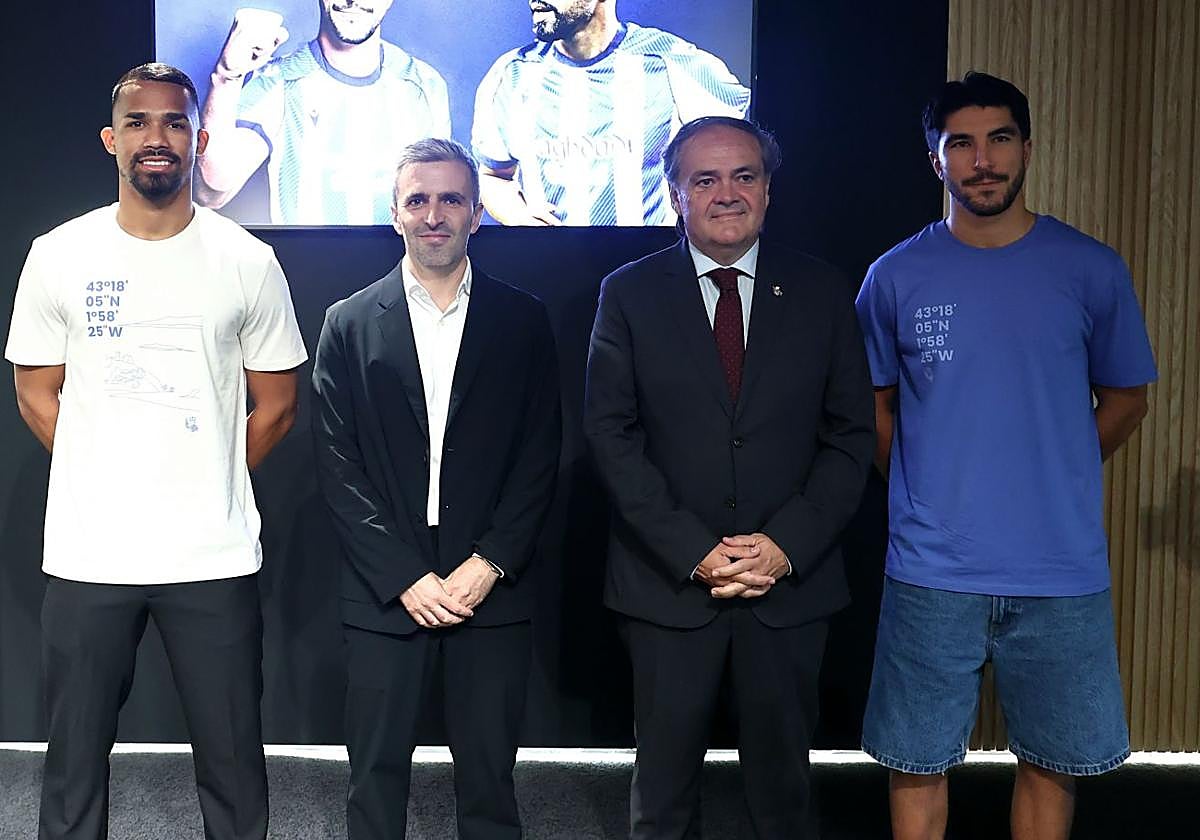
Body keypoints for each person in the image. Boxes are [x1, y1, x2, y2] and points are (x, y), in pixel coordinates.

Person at [4, 62, 307, 840]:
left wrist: (204, 480)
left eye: (174, 123)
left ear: (198, 137)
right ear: (112, 140)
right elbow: (37, 391)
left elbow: (275, 406)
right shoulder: (59, 255)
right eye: (138, 123)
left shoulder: (247, 260)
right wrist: (98, 468)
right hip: (89, 555)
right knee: (72, 766)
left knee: (234, 767)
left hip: (212, 556)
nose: (157, 138)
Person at [855, 72, 1157, 840]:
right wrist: (924, 487)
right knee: (915, 761)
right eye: (961, 143)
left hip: (1061, 571)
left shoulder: (1091, 269)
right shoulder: (893, 277)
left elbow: (1126, 398)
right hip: (930, 569)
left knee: (1052, 765)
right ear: (936, 160)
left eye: (999, 139)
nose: (982, 160)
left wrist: (1055, 468)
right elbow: (874, 408)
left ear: (1027, 147)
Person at [583, 116, 875, 838]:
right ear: (675, 195)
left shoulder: (821, 290)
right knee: (663, 800)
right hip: (668, 586)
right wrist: (695, 550)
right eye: (704, 179)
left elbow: (850, 437)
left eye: (744, 176)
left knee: (785, 799)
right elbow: (610, 436)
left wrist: (782, 548)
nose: (726, 194)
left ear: (769, 191)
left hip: (789, 589)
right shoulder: (628, 293)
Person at [311, 138, 561, 840]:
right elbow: (337, 464)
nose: (434, 214)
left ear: (478, 214)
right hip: (385, 590)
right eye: (418, 199)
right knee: (375, 785)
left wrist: (487, 565)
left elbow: (540, 455)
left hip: (492, 586)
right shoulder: (348, 321)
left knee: (489, 788)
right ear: (395, 214)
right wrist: (405, 577)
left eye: (451, 198)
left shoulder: (523, 319)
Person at [473, 0, 750, 226]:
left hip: (648, 272)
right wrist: (519, 218)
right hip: (548, 271)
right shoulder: (512, 73)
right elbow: (493, 176)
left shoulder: (670, 60)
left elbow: (749, 151)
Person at [198, 0, 451, 225]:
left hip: (399, 272)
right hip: (311, 271)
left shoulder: (424, 84)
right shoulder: (280, 80)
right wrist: (226, 75)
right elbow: (213, 190)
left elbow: (438, 206)